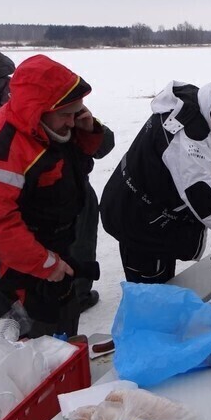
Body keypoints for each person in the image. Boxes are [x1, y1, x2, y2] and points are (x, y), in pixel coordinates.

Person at [0, 55, 104, 338]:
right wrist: (45, 264)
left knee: (63, 323)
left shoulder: (54, 125)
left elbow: (84, 156)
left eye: (77, 113)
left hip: (46, 244)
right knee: (39, 344)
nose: (72, 121)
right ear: (40, 109)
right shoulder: (6, 147)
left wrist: (89, 128)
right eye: (66, 115)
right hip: (8, 263)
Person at [100, 82, 211, 284]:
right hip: (138, 218)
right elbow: (203, 197)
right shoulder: (188, 134)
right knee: (150, 290)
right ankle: (148, 315)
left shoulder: (199, 113)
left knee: (163, 278)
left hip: (152, 215)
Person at [69, 124, 115, 312]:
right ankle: (78, 295)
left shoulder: (73, 112)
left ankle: (79, 293)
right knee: (80, 244)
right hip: (69, 189)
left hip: (78, 186)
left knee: (82, 243)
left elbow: (104, 144)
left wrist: (90, 123)